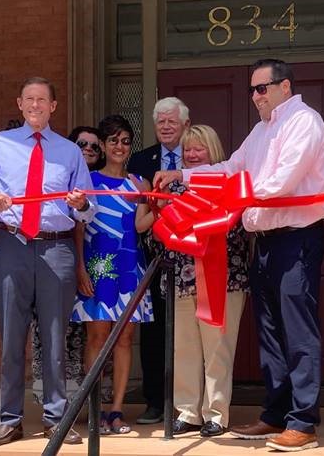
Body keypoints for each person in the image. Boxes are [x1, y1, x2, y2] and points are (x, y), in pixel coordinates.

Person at [155, 59, 324, 451]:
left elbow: (282, 181)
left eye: (261, 88)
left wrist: (237, 195)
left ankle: (303, 422)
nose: (255, 96)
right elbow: (231, 168)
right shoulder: (260, 130)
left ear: (285, 86)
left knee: (298, 331)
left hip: (296, 237)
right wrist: (182, 176)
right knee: (270, 332)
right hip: (265, 241)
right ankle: (275, 414)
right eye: (252, 90)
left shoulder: (304, 121)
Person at [0, 77, 95, 447]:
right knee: (11, 339)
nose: (36, 105)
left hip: (56, 250)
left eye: (43, 100)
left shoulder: (70, 151)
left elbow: (90, 207)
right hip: (12, 245)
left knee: (55, 338)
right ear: (20, 104)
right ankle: (10, 420)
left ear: (53, 106)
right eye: (30, 100)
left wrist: (81, 204)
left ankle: (56, 419)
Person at [147, 125, 249, 437]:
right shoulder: (172, 189)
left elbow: (238, 234)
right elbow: (158, 240)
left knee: (218, 349)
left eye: (199, 149)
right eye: (187, 149)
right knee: (184, 349)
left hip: (223, 279)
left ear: (214, 152)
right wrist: (160, 212)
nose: (192, 155)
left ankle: (216, 414)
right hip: (180, 279)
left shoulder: (229, 185)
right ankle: (188, 411)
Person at [71, 114, 153, 435]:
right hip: (97, 268)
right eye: (114, 141)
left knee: (126, 339)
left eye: (125, 141)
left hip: (130, 269)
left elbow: (140, 225)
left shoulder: (139, 184)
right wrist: (80, 267)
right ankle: (94, 410)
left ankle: (116, 410)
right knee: (96, 337)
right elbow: (79, 229)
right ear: (103, 145)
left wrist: (159, 207)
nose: (120, 146)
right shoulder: (89, 182)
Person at [31, 125, 109, 404]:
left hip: (97, 272)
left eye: (94, 146)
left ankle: (85, 402)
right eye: (81, 143)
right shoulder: (61, 179)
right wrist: (78, 268)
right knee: (53, 334)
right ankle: (51, 400)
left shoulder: (101, 183)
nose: (87, 149)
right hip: (59, 263)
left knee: (89, 339)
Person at [127, 97, 190, 425]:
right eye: (161, 122)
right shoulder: (140, 160)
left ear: (185, 124)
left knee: (190, 331)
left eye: (172, 121)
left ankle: (189, 405)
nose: (166, 127)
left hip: (192, 257)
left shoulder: (197, 158)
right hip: (153, 258)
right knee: (154, 330)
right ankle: (155, 401)